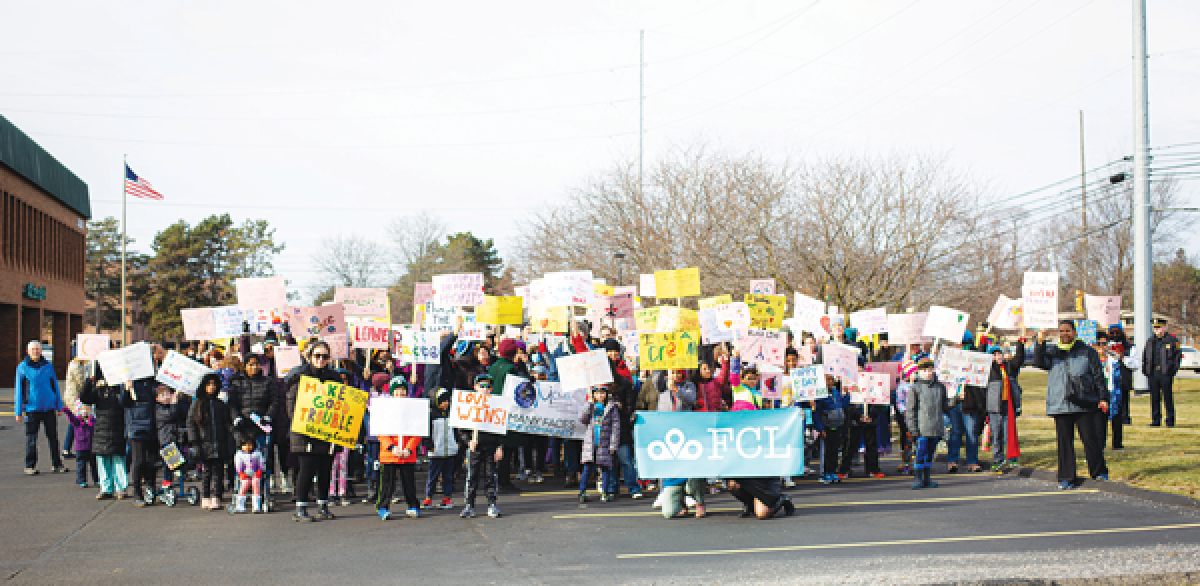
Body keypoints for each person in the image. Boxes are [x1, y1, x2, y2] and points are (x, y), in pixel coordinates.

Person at [1033, 321, 1109, 490]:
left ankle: (1099, 472)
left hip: (1084, 402)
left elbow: (1098, 375)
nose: (1064, 334)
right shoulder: (1053, 352)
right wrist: (1040, 341)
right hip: (1060, 404)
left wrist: (1103, 397)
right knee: (1064, 442)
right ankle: (1066, 477)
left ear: (1074, 332)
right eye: (1061, 331)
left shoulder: (1087, 351)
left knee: (1090, 439)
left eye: (1068, 330)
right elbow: (1039, 362)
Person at [285, 341, 342, 521]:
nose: (321, 359)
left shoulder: (335, 377)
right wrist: (301, 428)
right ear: (309, 357)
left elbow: (341, 405)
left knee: (326, 470)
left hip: (327, 431)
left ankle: (323, 505)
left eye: (324, 356)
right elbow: (292, 405)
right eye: (317, 355)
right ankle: (300, 508)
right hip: (305, 432)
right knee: (307, 470)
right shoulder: (300, 377)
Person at [15, 340, 66, 475]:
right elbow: (19, 391)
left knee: (53, 437)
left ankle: (57, 464)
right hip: (32, 409)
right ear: (28, 351)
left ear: (41, 351)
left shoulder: (48, 365)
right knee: (31, 438)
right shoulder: (22, 367)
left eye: (37, 349)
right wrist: (18, 411)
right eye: (33, 349)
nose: (36, 352)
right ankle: (30, 465)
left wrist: (59, 406)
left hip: (49, 408)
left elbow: (55, 385)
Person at [457, 374, 505, 519]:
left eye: (488, 386)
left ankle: (492, 504)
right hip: (475, 447)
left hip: (491, 447)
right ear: (475, 387)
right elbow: (461, 428)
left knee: (491, 476)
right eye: (481, 386)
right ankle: (469, 505)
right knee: (472, 477)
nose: (485, 389)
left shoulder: (497, 405)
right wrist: (468, 440)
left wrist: (500, 447)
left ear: (491, 389)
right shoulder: (469, 404)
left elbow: (501, 427)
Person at [80, 363, 128, 500]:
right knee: (102, 460)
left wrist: (127, 386)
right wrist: (89, 381)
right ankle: (106, 489)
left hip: (118, 428)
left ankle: (121, 488)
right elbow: (84, 397)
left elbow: (128, 402)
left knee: (118, 459)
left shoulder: (121, 389)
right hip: (101, 430)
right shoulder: (99, 390)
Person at [906, 358, 955, 489]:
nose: (928, 372)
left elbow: (945, 406)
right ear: (919, 371)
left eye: (930, 369)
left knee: (930, 454)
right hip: (922, 428)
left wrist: (957, 399)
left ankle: (927, 478)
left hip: (936, 427)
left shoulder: (940, 387)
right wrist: (913, 429)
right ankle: (918, 478)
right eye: (925, 370)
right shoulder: (915, 388)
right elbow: (911, 410)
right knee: (920, 453)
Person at [188, 373, 234, 510]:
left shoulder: (220, 404)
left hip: (220, 443)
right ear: (204, 386)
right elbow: (191, 424)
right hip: (204, 444)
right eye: (209, 384)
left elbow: (227, 423)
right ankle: (206, 496)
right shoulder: (197, 404)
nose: (212, 387)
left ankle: (217, 497)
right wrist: (195, 443)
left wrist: (235, 433)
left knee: (219, 472)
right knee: (207, 472)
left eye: (214, 384)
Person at [578, 383, 620, 503]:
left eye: (602, 393)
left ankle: (605, 492)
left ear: (607, 394)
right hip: (590, 443)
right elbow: (583, 419)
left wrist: (613, 445)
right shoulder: (590, 406)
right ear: (593, 394)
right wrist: (590, 403)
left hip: (605, 443)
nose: (600, 395)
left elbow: (615, 427)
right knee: (586, 468)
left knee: (605, 468)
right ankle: (582, 492)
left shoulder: (612, 407)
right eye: (597, 393)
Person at [986, 343, 1024, 471]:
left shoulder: (1008, 366)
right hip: (994, 406)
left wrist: (1020, 344)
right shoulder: (989, 369)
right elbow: (979, 356)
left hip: (1008, 405)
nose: (998, 357)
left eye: (999, 354)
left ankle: (1012, 459)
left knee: (1010, 433)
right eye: (995, 355)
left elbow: (1019, 358)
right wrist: (983, 343)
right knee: (997, 434)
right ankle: (998, 459)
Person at [124, 377, 159, 506]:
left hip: (153, 425)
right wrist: (127, 390)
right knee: (138, 461)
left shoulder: (152, 381)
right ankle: (137, 492)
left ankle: (150, 491)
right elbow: (124, 402)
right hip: (136, 426)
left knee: (151, 461)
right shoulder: (130, 380)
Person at [1141, 318, 1182, 427]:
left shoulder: (1172, 340)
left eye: (1158, 327)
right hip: (1153, 373)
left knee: (1167, 397)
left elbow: (1177, 357)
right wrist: (1145, 370)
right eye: (1155, 327)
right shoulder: (1150, 341)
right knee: (1154, 397)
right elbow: (1145, 356)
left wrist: (1172, 371)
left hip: (1165, 373)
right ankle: (1155, 420)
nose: (1156, 329)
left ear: (1164, 327)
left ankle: (1170, 420)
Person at [423, 389, 458, 510]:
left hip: (450, 451)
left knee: (448, 476)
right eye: (443, 401)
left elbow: (457, 431)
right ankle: (428, 498)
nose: (446, 404)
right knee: (433, 476)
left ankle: (447, 498)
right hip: (436, 451)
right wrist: (429, 445)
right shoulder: (431, 415)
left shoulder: (452, 414)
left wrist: (457, 443)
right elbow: (426, 433)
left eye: (448, 401)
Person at [377, 431, 422, 520]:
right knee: (387, 483)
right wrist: (391, 446)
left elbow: (418, 430)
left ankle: (413, 505)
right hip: (389, 454)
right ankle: (383, 507)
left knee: (409, 483)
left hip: (407, 454)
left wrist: (409, 448)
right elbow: (381, 431)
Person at [813, 374, 849, 483]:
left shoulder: (836, 393)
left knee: (835, 451)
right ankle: (826, 473)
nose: (829, 382)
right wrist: (821, 429)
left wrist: (847, 395)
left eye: (831, 380)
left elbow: (844, 405)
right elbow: (817, 413)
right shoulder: (820, 396)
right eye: (827, 380)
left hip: (838, 426)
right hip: (827, 427)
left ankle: (833, 471)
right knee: (827, 451)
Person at [65, 403, 99, 488]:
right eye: (82, 410)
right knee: (81, 465)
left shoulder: (93, 421)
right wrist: (67, 410)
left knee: (94, 465)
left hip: (92, 447)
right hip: (80, 447)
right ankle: (82, 480)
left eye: (86, 410)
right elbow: (71, 418)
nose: (85, 412)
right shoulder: (77, 421)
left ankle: (96, 480)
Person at [232, 436, 267, 514]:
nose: (247, 447)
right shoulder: (239, 454)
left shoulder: (257, 453)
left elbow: (261, 464)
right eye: (245, 445)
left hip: (255, 473)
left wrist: (259, 471)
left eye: (250, 444)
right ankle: (240, 504)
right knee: (245, 483)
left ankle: (256, 504)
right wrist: (241, 473)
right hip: (244, 474)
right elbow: (238, 465)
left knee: (256, 482)